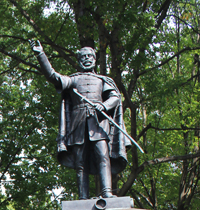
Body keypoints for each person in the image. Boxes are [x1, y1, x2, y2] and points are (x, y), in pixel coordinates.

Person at [31, 41, 129, 199]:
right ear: (79, 60)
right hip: (78, 125)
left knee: (103, 156)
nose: (87, 59)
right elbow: (53, 76)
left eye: (90, 56)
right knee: (80, 162)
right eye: (83, 57)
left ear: (95, 60)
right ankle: (83, 197)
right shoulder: (73, 80)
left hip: (98, 124)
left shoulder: (102, 80)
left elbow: (115, 98)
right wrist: (40, 54)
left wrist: (103, 106)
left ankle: (106, 192)